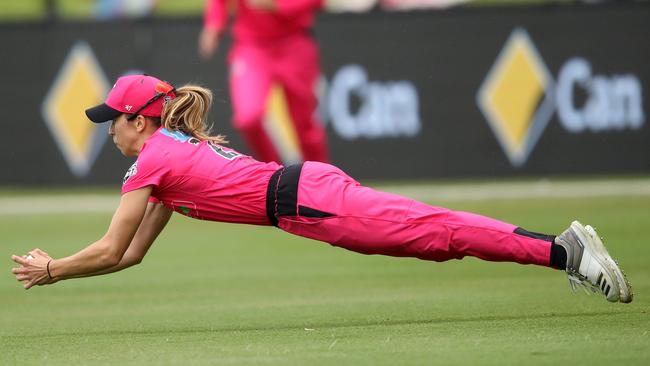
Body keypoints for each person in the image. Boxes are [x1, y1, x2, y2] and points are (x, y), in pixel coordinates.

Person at [11, 74, 633, 304]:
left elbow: (108, 245)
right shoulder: (165, 166)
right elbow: (129, 253)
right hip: (307, 195)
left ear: (138, 121)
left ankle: (568, 251)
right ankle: (564, 251)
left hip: (309, 200)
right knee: (435, 237)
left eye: (111, 121)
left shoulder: (151, 162)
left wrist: (53, 269)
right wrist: (63, 270)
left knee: (437, 234)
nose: (107, 132)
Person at [198, 0, 329, 164]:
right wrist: (214, 24)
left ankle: (321, 180)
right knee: (248, 118)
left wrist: (277, 6)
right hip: (251, 47)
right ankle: (276, 174)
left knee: (305, 126)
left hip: (294, 43)